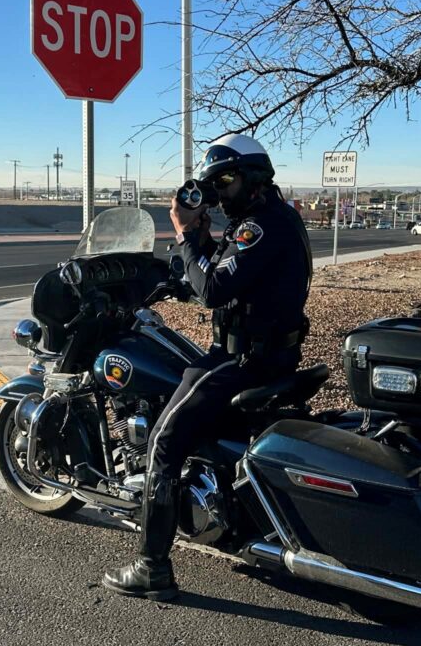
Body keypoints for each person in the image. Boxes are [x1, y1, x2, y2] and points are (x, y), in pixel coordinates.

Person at [102, 133, 313, 600]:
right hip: (269, 353)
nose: (218, 194)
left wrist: (181, 233)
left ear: (256, 177)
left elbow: (215, 289)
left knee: (163, 440)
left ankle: (151, 565)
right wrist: (198, 241)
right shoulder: (272, 219)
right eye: (213, 184)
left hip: (243, 361)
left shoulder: (258, 227)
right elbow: (223, 272)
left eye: (227, 181)